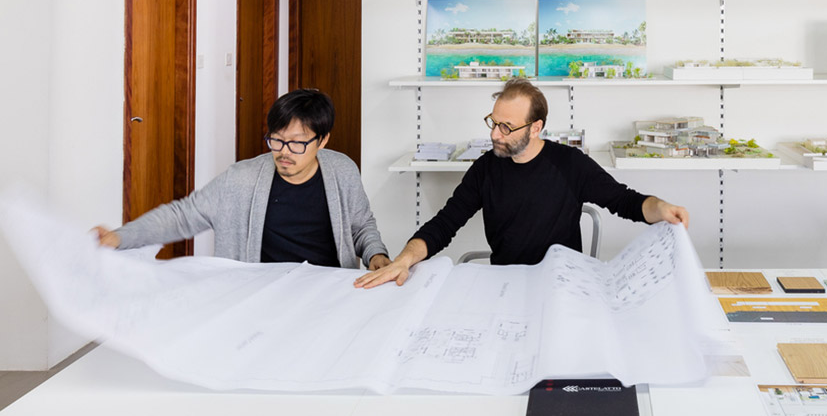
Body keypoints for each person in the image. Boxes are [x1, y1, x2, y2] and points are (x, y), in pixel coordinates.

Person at [356, 78, 688, 288]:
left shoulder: (570, 164)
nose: (494, 134)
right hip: (507, 283)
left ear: (535, 127)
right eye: (493, 122)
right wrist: (405, 259)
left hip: (563, 282)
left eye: (506, 127)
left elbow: (625, 201)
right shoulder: (486, 169)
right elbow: (444, 224)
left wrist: (661, 208)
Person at [96, 89, 391, 270]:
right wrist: (121, 237)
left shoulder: (342, 170)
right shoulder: (240, 179)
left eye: (297, 143)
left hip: (328, 291)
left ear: (322, 141)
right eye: (277, 140)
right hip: (259, 293)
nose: (284, 152)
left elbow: (361, 226)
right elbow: (182, 216)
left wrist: (376, 254)